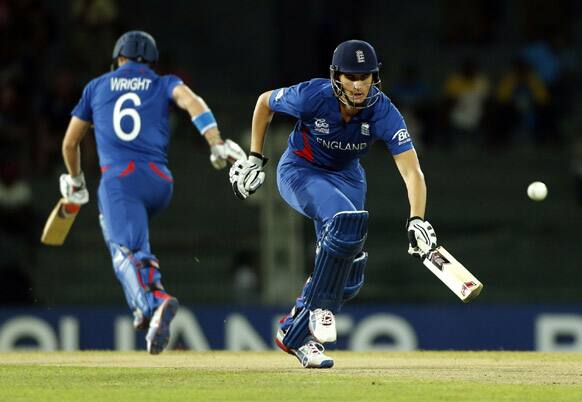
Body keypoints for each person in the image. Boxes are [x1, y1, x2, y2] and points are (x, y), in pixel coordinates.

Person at [229, 40, 436, 368]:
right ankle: (319, 311)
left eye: (365, 77)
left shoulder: (383, 111)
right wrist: (255, 157)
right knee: (345, 223)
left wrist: (417, 219)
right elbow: (264, 103)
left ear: (374, 78)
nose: (358, 85)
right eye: (350, 77)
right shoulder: (312, 95)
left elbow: (412, 171)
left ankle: (297, 334)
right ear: (336, 77)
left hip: (348, 177)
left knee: (350, 272)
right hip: (300, 169)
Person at [59, 31, 245, 354]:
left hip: (120, 180)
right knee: (128, 238)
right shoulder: (163, 82)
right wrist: (215, 141)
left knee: (124, 251)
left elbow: (70, 142)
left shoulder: (97, 86)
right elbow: (192, 102)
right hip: (160, 182)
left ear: (118, 59)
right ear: (152, 62)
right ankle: (141, 305)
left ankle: (154, 300)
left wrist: (75, 182)